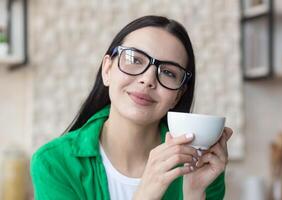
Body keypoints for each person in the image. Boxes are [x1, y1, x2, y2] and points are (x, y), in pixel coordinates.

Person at [31, 15, 233, 200]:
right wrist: (145, 194)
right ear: (107, 69)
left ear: (177, 95)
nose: (148, 80)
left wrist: (194, 193)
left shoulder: (199, 166)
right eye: (134, 60)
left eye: (168, 73)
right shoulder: (54, 163)